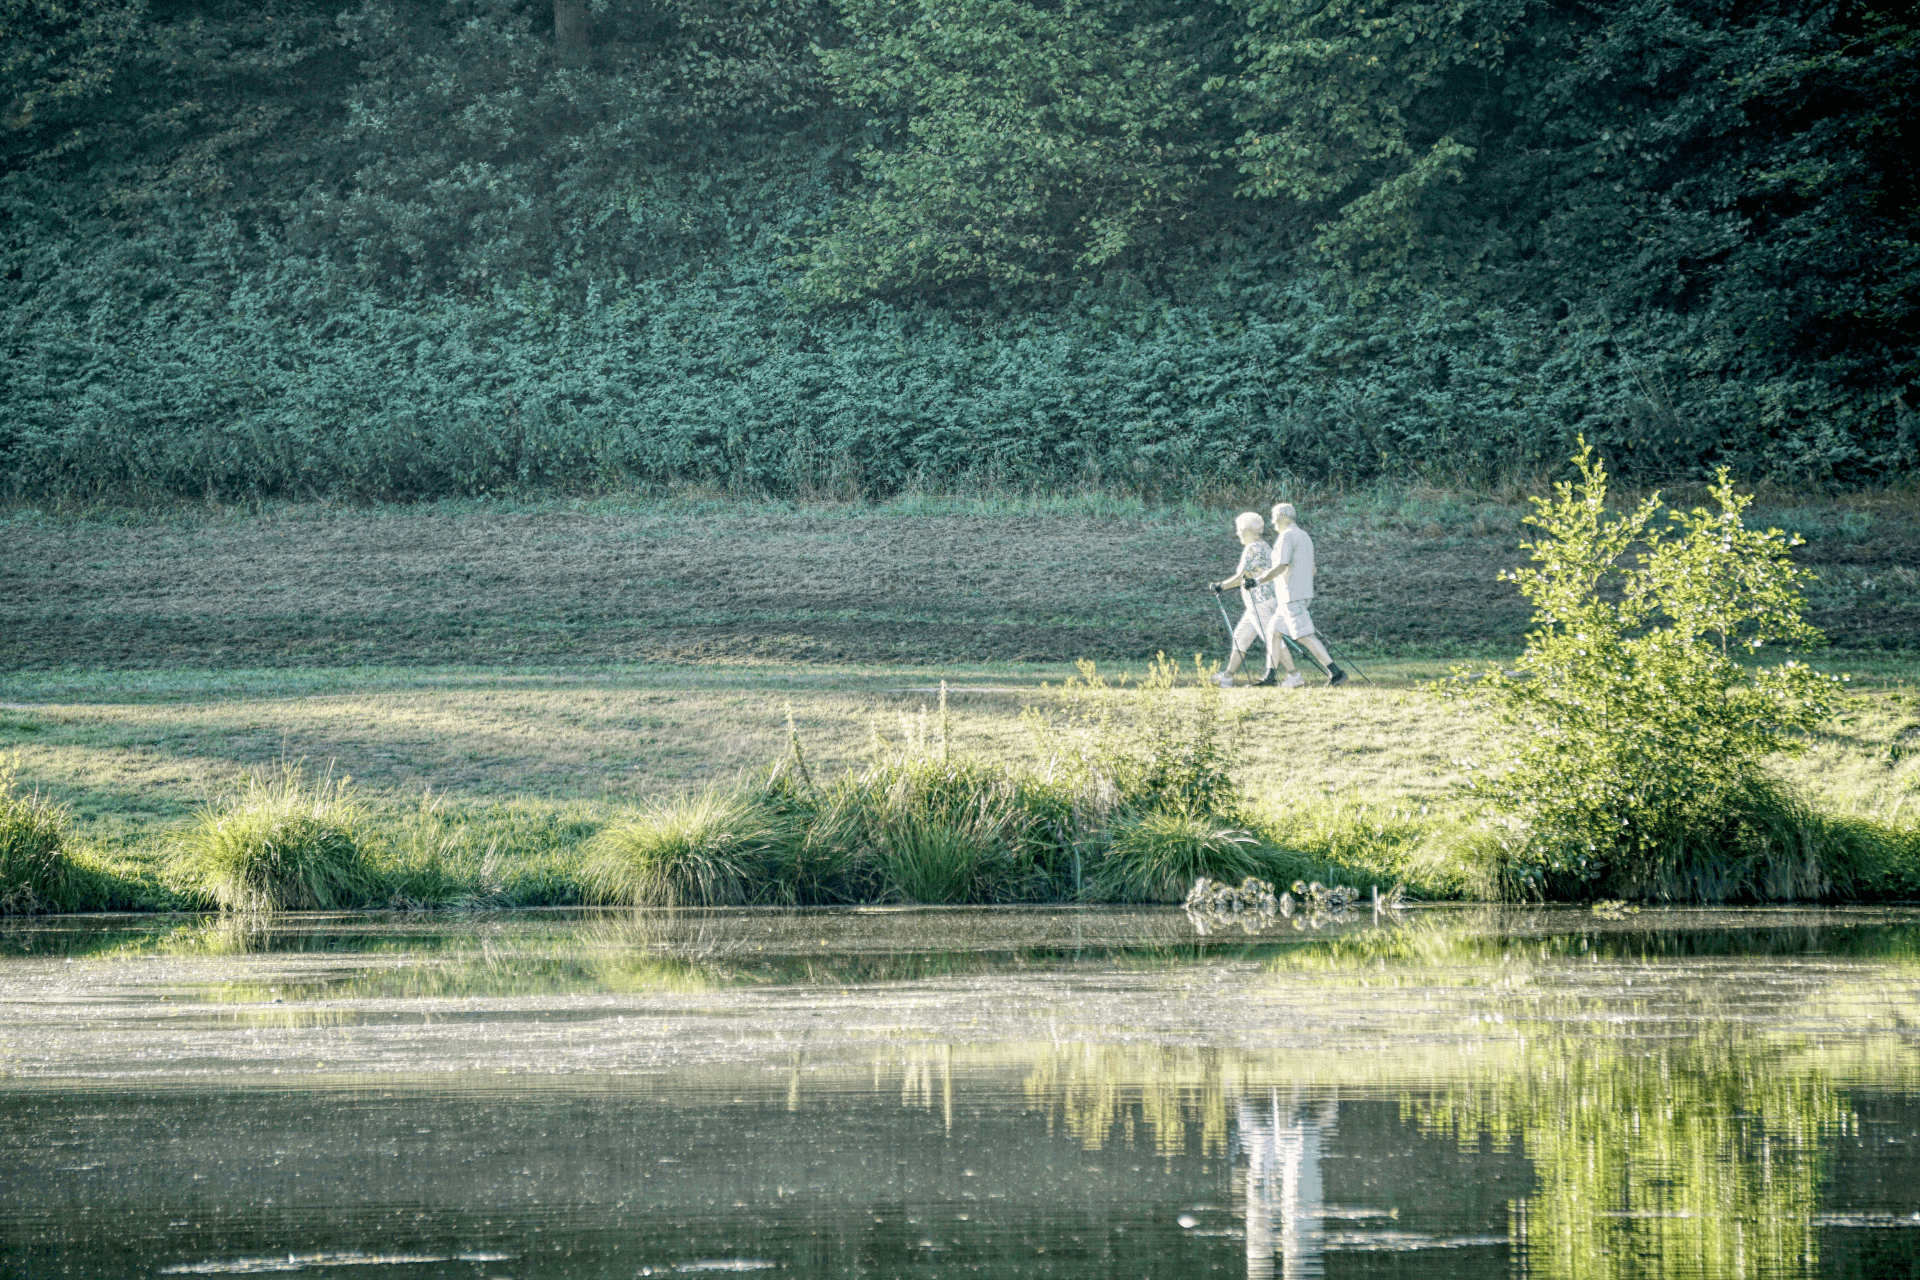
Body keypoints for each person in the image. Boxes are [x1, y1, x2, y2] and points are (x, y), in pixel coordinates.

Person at [1251, 503, 1347, 688]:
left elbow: (1281, 565)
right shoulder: (1304, 535)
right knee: (1274, 631)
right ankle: (1270, 677)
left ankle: (1336, 673)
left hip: (1291, 595)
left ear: (1282, 517)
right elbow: (1313, 569)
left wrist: (1257, 581)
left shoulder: (1286, 536)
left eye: (1273, 518)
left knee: (1304, 636)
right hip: (1298, 593)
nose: (1272, 523)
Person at [1211, 512, 1282, 687]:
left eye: (1239, 529)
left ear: (1248, 529)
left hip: (1260, 602)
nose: (1237, 533)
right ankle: (1227, 677)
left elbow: (1242, 576)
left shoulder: (1252, 548)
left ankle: (1281, 677)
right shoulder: (1264, 546)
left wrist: (1221, 586)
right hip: (1258, 603)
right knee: (1240, 637)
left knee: (1271, 639)